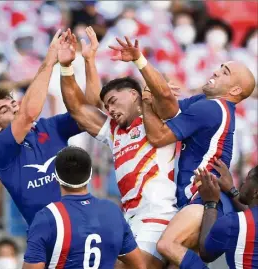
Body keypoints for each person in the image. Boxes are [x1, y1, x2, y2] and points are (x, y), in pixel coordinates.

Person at [106, 35, 256, 266]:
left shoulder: (211, 108)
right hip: (203, 200)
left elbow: (158, 136)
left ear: (235, 89)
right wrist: (149, 79)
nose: (216, 72)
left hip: (205, 199)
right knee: (174, 263)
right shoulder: (206, 103)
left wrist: (145, 97)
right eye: (219, 68)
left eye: (225, 72)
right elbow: (166, 105)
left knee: (166, 246)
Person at [57, 27, 178, 269]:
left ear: (134, 94)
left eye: (113, 102)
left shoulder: (158, 116)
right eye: (107, 105)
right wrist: (67, 67)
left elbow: (164, 95)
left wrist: (139, 60)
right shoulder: (114, 130)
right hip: (130, 219)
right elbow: (78, 110)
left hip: (158, 216)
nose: (109, 109)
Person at [0, 30, 84, 225]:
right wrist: (50, 62)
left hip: (81, 221)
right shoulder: (0, 149)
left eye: (13, 103)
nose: (14, 108)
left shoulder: (49, 126)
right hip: (48, 235)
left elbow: (88, 110)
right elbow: (28, 114)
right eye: (4, 110)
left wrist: (71, 66)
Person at [23, 146, 146, 269]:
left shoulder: (46, 217)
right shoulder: (113, 211)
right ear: (90, 175)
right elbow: (140, 265)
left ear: (56, 178)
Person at [178, 164, 258, 269]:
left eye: (247, 179)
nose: (243, 182)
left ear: (256, 192)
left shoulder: (233, 223)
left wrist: (210, 203)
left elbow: (206, 253)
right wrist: (232, 190)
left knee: (168, 246)